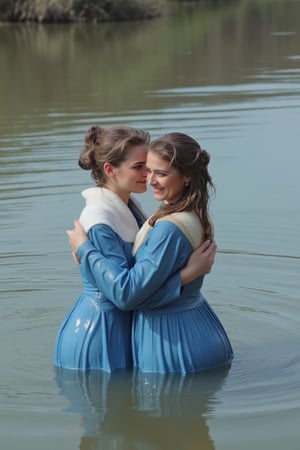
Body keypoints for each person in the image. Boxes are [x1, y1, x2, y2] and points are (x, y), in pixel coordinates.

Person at [67, 132, 233, 373]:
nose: (148, 177)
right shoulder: (109, 218)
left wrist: (84, 249)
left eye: (158, 171)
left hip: (172, 339)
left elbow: (130, 293)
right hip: (105, 333)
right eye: (142, 167)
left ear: (187, 176)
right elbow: (128, 292)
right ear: (110, 170)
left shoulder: (161, 221)